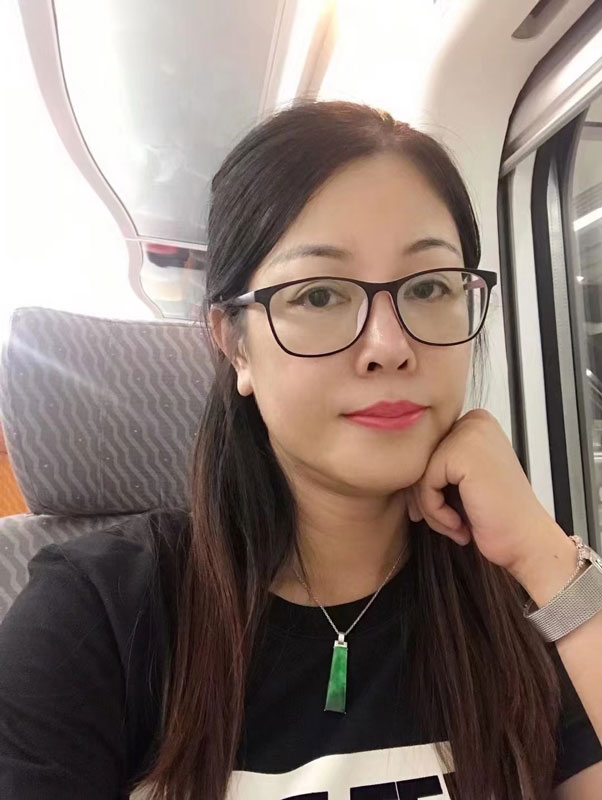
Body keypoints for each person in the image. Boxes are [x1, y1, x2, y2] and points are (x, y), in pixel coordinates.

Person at [1, 100, 602, 800]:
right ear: (234, 344)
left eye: (430, 286)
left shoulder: (524, 598)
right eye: (319, 296)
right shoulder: (96, 615)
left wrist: (544, 556)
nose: (390, 346)